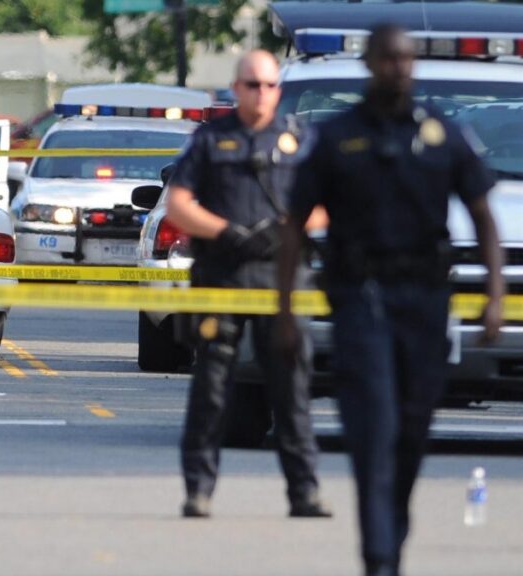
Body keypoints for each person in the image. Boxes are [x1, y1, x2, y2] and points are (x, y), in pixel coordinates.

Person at [277, 25, 504, 576]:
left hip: (425, 303)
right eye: (389, 58)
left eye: (406, 59)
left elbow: (482, 215)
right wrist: (285, 309)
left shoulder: (440, 133)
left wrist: (494, 294)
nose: (398, 67)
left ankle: (391, 535)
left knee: (409, 433)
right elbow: (292, 226)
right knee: (372, 428)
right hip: (361, 300)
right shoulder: (335, 138)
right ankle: (379, 558)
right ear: (372, 63)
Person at [166, 50, 332, 519]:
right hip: (221, 280)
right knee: (212, 392)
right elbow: (178, 203)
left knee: (291, 392)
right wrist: (225, 232)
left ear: (278, 90)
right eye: (252, 85)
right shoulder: (210, 139)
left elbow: (331, 203)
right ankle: (198, 491)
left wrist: (289, 228)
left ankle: (305, 493)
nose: (261, 93)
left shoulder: (300, 139)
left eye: (269, 85)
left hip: (281, 285)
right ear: (236, 88)